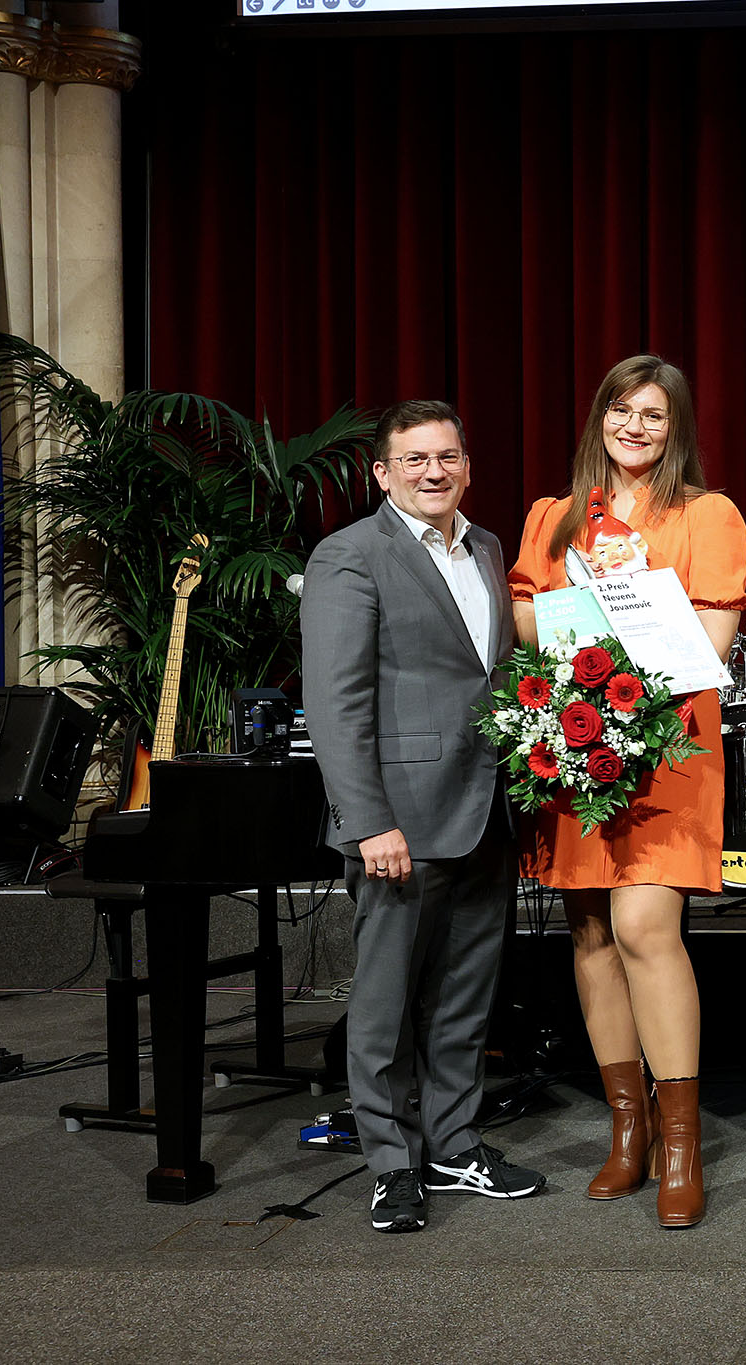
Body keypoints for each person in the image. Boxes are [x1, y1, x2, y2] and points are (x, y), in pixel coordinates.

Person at [508, 355, 746, 1229]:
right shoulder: (552, 515)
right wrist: (582, 596)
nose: (636, 426)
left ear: (676, 425)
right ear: (599, 420)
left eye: (654, 413)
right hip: (572, 742)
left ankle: (682, 1145)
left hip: (666, 743)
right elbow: (531, 625)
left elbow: (713, 644)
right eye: (621, 409)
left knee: (646, 923)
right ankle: (628, 1132)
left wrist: (622, 595)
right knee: (591, 934)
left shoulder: (708, 514)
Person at [302, 400, 543, 1233]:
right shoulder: (350, 556)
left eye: (447, 456)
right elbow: (335, 703)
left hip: (484, 810)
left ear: (468, 466)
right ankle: (388, 1160)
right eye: (414, 460)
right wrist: (369, 820)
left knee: (463, 996)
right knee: (385, 1000)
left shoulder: (486, 547)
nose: (433, 471)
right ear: (383, 473)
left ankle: (452, 1141)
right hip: (399, 820)